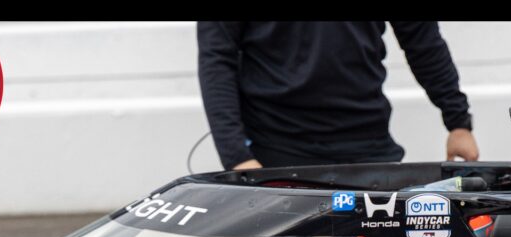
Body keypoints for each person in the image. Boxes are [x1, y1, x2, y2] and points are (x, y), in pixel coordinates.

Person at [198, 21, 479, 170]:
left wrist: (458, 122)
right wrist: (237, 157)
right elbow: (216, 58)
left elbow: (423, 41)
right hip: (275, 148)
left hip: (366, 146)